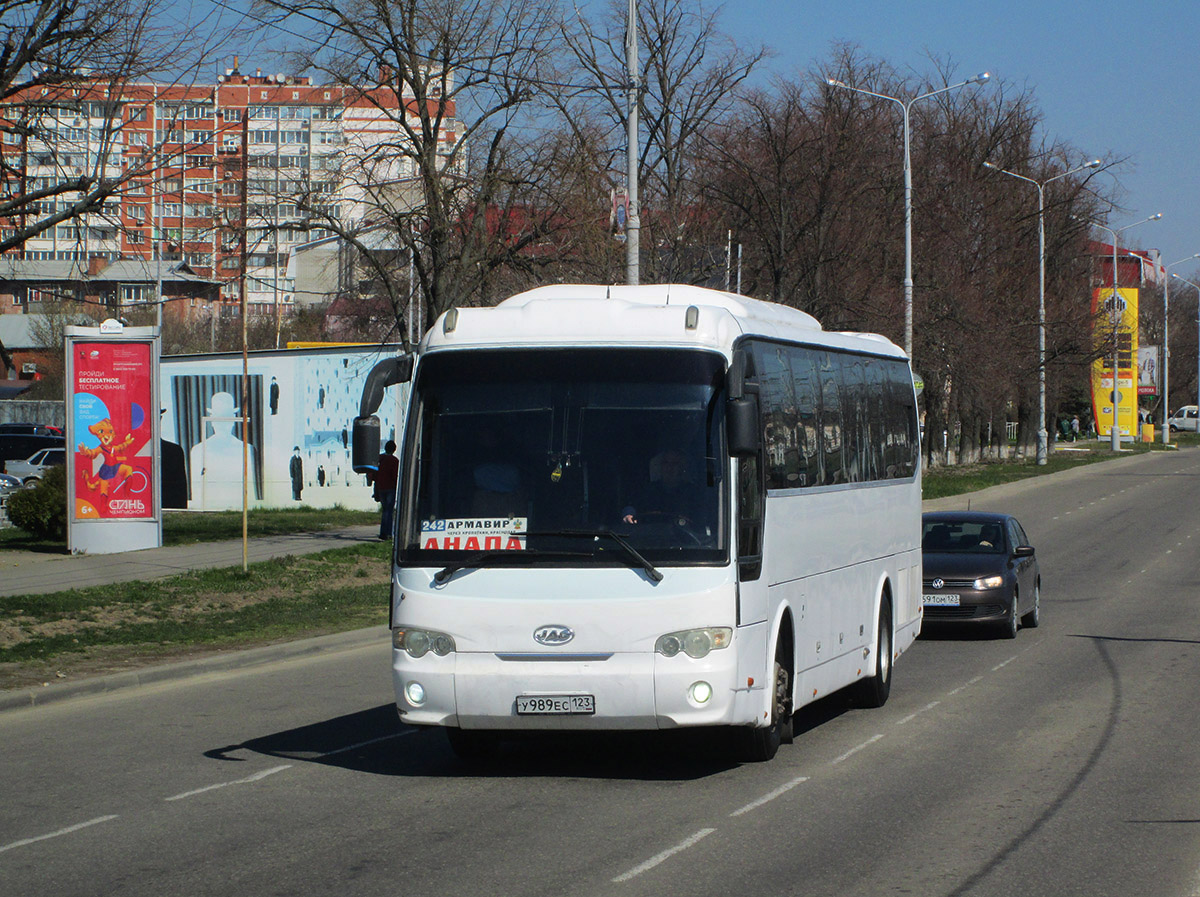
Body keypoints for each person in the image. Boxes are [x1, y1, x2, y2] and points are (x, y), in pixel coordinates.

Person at [621, 449, 704, 526]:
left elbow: (700, 520)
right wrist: (628, 514)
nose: (669, 468)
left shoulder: (692, 493)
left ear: (682, 468)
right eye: (666, 463)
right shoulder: (648, 490)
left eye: (675, 463)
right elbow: (632, 506)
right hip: (648, 537)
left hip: (684, 539)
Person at [374, 440, 400, 540]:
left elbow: (374, 474)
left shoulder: (379, 458)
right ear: (394, 450)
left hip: (380, 487)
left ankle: (383, 532)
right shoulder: (394, 461)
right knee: (389, 511)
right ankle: (388, 533)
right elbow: (394, 475)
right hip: (390, 488)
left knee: (385, 510)